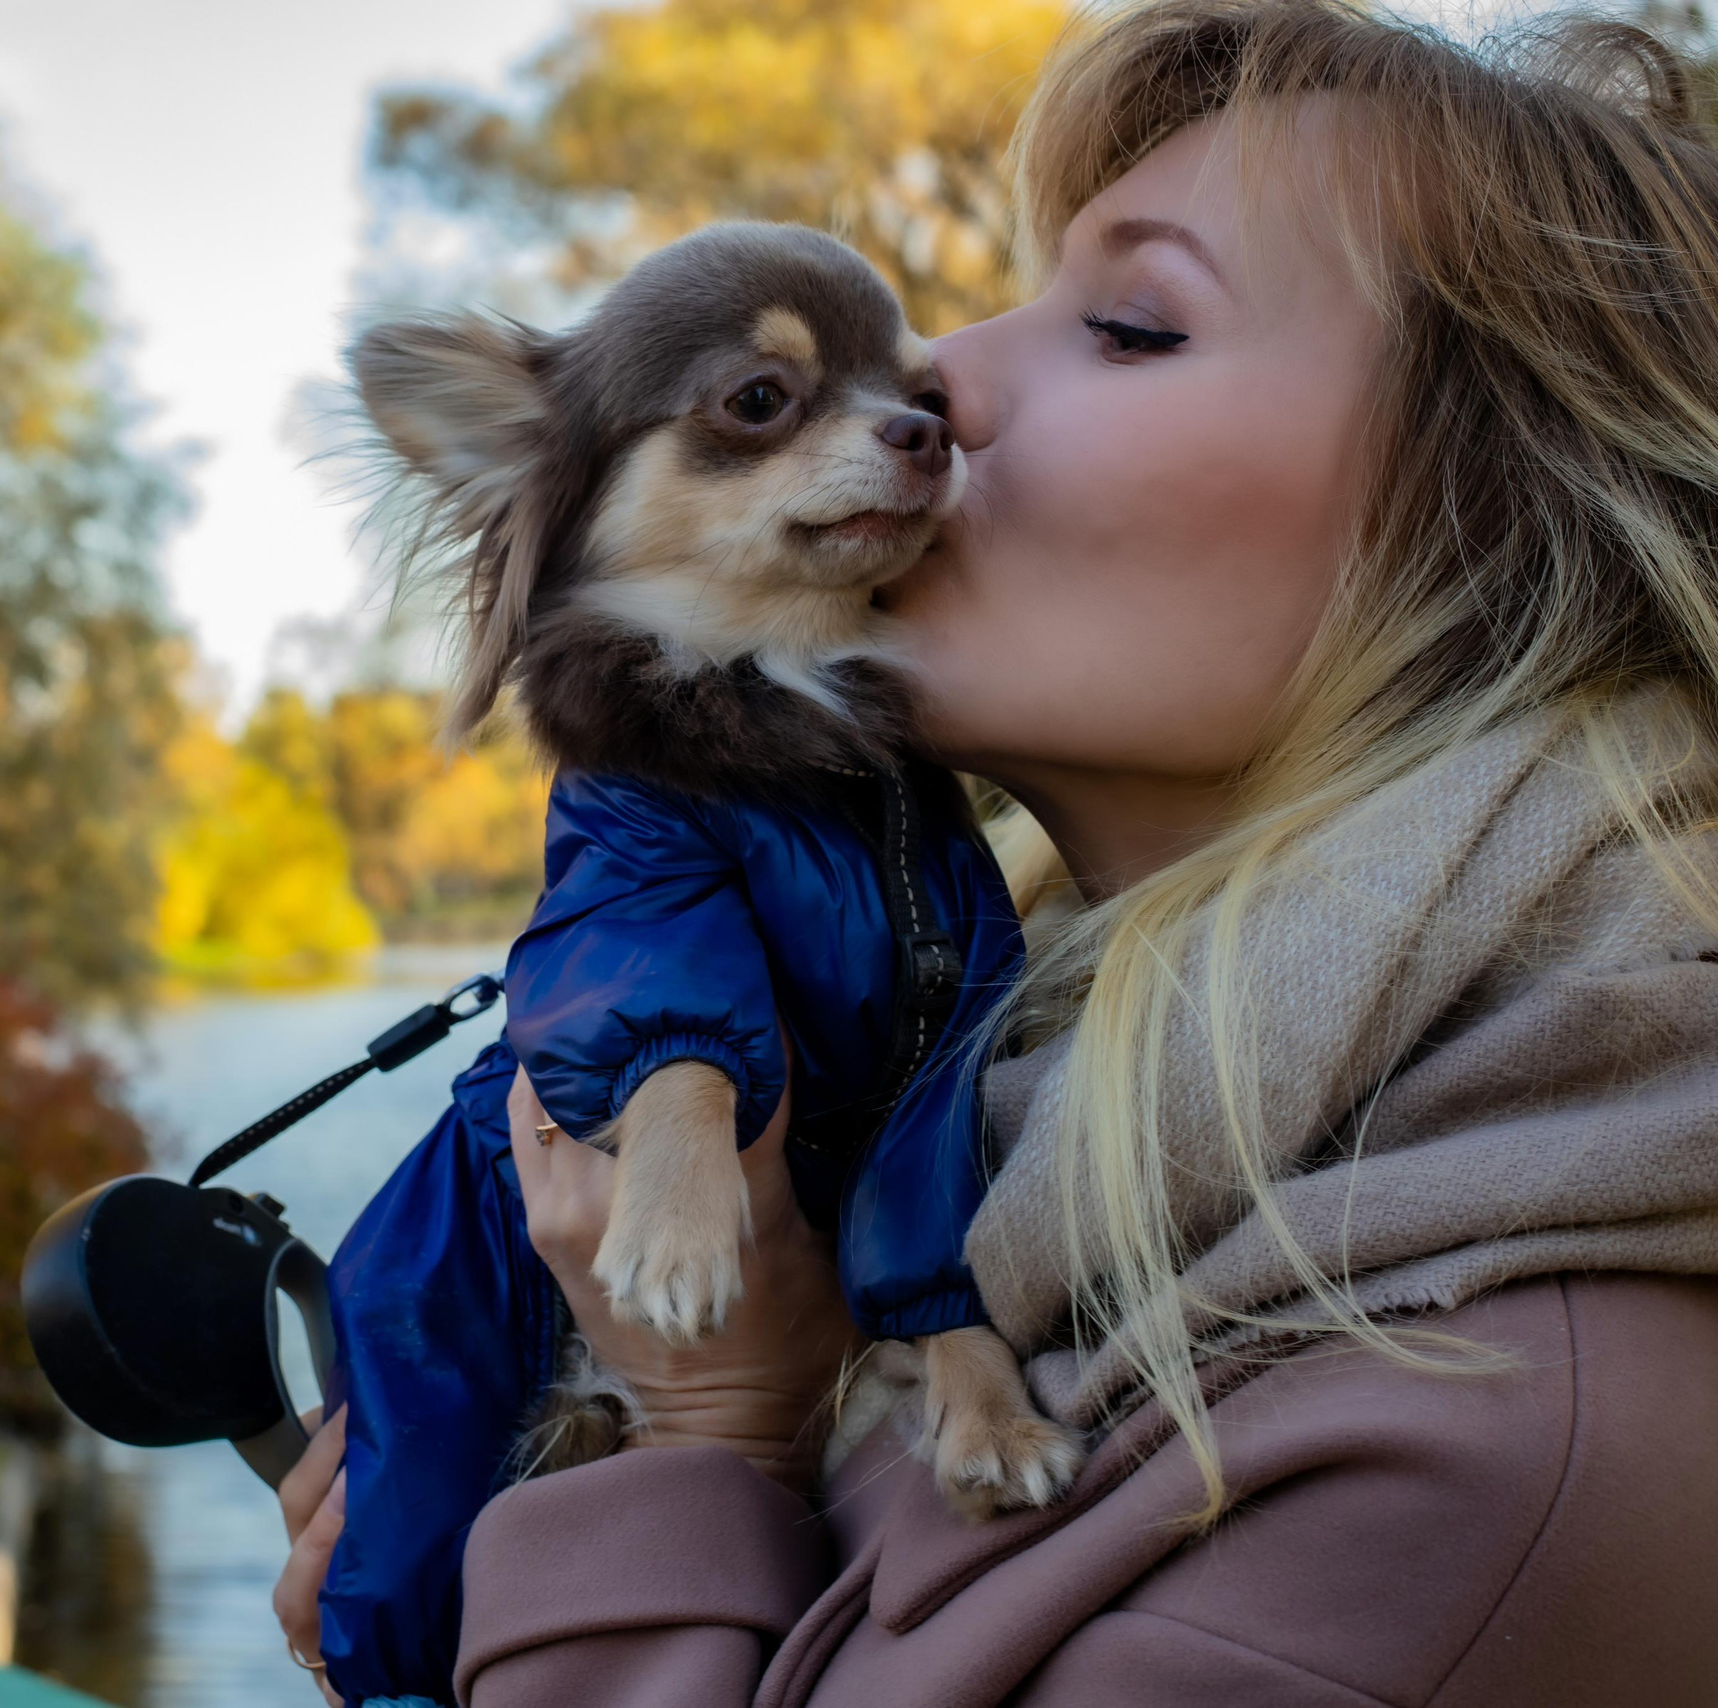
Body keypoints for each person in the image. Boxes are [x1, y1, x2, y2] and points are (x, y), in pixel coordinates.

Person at [274, 1, 1718, 1702]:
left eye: (1128, 322)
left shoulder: (1478, 1462)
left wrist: (701, 1439)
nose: (943, 368)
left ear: (1496, 531)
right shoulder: (1029, 1100)